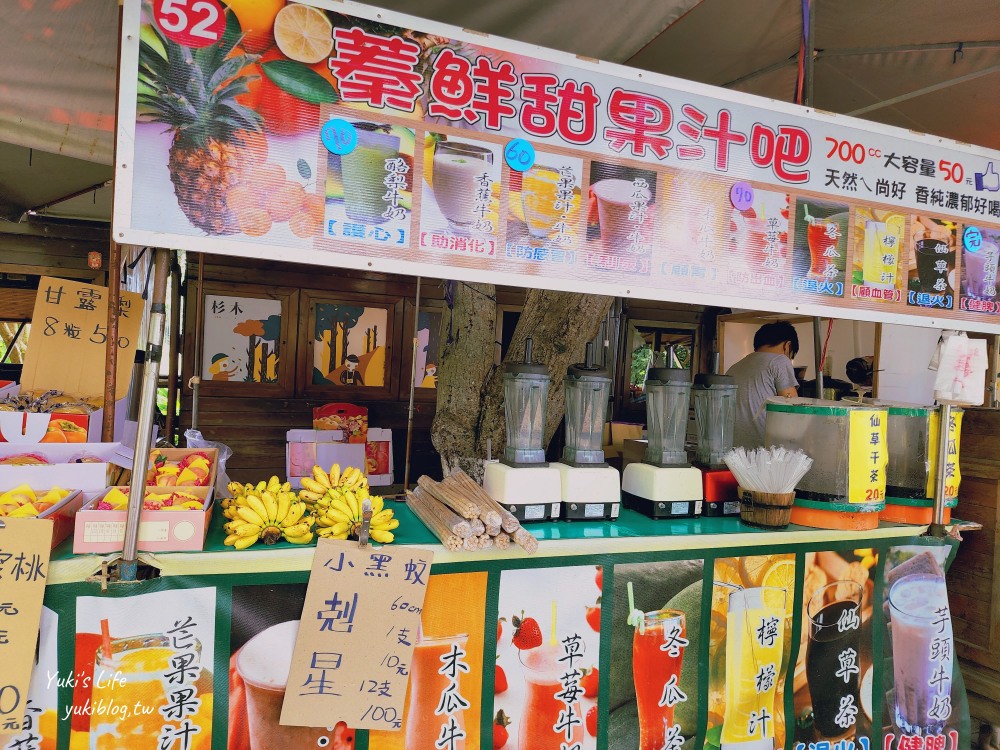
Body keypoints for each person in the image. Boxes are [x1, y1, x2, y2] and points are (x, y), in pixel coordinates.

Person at [726, 321, 799, 449]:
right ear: (787, 346)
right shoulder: (780, 361)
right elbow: (793, 410)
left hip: (732, 453)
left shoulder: (734, 367)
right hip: (762, 453)